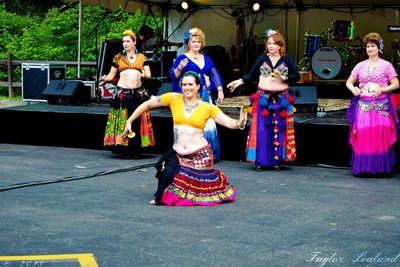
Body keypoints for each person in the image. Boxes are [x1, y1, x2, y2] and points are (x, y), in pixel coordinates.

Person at [122, 71, 247, 206]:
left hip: (199, 156)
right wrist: (129, 121)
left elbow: (228, 122)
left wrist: (239, 123)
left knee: (196, 193)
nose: (187, 88)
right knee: (165, 178)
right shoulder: (173, 98)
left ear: (198, 86)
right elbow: (147, 104)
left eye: (190, 84)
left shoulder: (208, 107)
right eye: (184, 84)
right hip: (177, 153)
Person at [227, 29, 300, 170]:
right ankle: (262, 161)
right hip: (263, 99)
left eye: (274, 43)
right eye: (269, 43)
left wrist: (284, 77)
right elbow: (250, 75)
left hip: (281, 100)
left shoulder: (287, 59)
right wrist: (239, 81)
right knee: (262, 129)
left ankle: (276, 161)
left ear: (280, 45)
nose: (271, 46)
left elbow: (296, 76)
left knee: (279, 129)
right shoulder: (262, 59)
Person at [345, 32, 399, 177]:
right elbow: (349, 82)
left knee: (380, 133)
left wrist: (382, 89)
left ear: (378, 48)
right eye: (368, 46)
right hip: (363, 105)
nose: (370, 49)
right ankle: (364, 168)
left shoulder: (386, 65)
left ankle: (380, 168)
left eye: (372, 46)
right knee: (364, 133)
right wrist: (354, 89)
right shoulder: (360, 65)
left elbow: (396, 84)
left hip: (381, 105)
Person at [169, 27, 224, 161]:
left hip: (204, 95)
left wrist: (220, 90)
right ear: (188, 43)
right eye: (193, 41)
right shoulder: (182, 58)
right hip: (188, 97)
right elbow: (173, 76)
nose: (196, 44)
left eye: (198, 42)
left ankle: (206, 154)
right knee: (190, 123)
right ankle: (188, 153)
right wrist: (179, 68)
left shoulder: (206, 58)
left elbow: (213, 73)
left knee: (206, 123)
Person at [101, 30, 155, 158]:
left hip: (137, 94)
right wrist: (105, 78)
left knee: (136, 121)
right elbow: (111, 75)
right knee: (123, 121)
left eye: (128, 41)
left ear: (134, 42)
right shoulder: (118, 57)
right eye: (124, 41)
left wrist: (143, 74)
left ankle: (135, 150)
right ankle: (124, 148)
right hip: (123, 94)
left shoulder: (142, 57)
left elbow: (148, 74)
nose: (125, 44)